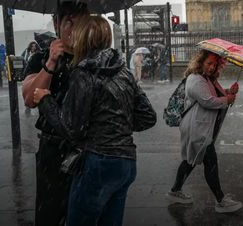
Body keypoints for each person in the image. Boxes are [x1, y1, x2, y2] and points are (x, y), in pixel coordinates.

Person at [33, 15, 156, 226]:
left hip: (98, 163)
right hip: (126, 162)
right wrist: (117, 126)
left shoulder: (84, 72)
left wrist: (45, 100)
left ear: (83, 39)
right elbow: (148, 117)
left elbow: (71, 128)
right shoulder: (124, 72)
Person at [21, 2, 90, 226]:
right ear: (56, 23)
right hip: (53, 149)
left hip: (89, 147)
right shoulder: (40, 58)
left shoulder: (94, 59)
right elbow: (30, 98)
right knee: (49, 214)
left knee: (85, 214)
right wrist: (51, 62)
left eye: (80, 23)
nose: (74, 29)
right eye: (68, 22)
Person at [166, 49, 242, 213]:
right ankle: (220, 200)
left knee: (190, 161)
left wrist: (229, 91)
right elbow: (208, 100)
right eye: (209, 63)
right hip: (197, 129)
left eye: (215, 64)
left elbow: (216, 95)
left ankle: (175, 191)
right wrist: (226, 99)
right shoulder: (196, 79)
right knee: (210, 162)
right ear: (200, 63)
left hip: (202, 128)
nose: (212, 67)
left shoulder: (208, 79)